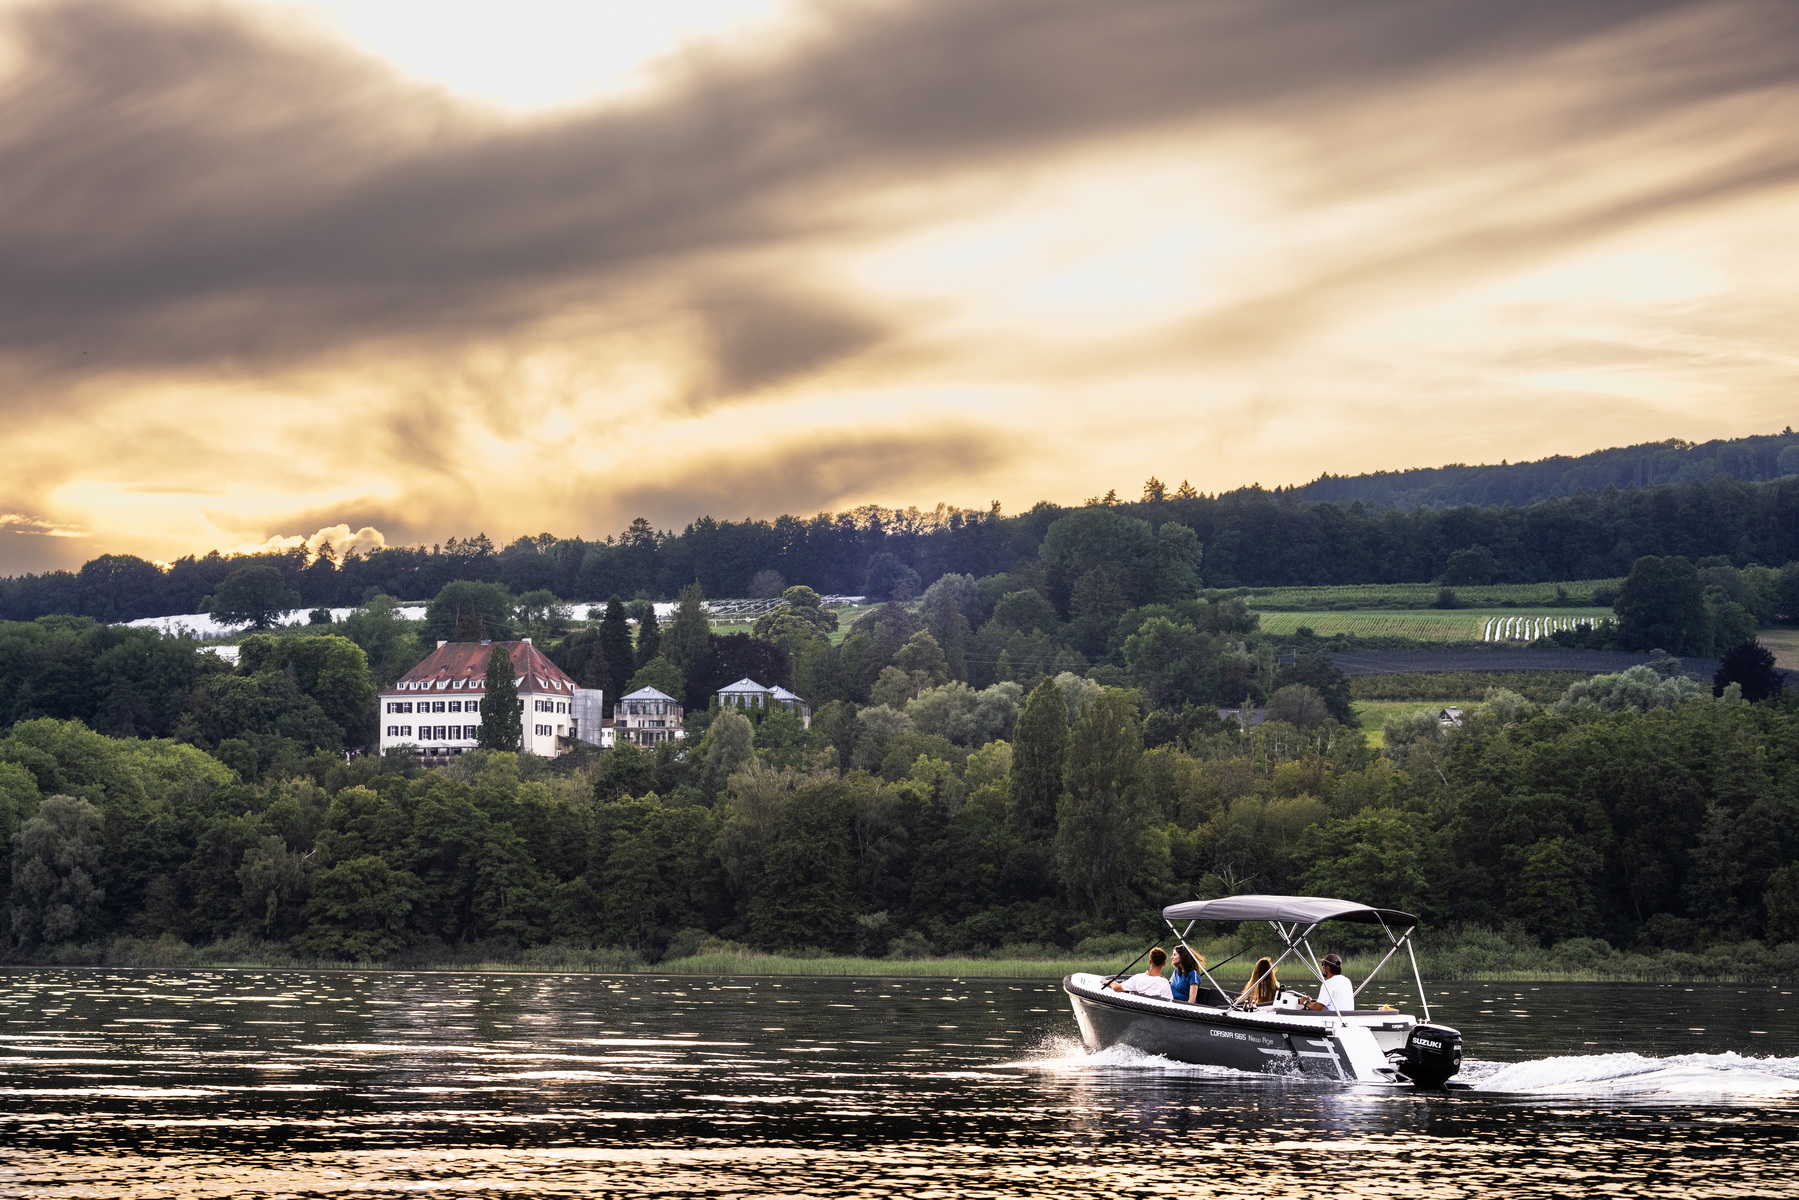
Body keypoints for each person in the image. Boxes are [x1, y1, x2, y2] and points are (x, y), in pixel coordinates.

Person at [1109, 947, 1174, 1000]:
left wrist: (1109, 982)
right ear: (1164, 964)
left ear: (1150, 962)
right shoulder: (1164, 983)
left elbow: (1116, 988)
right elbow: (1168, 1001)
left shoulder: (1137, 978)